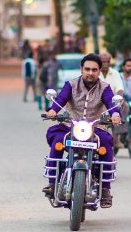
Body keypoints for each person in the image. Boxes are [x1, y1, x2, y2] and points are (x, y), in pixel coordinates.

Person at [43, 54, 122, 208]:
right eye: (87, 69)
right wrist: (53, 111)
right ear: (81, 69)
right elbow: (60, 101)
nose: (90, 73)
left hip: (95, 127)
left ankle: (105, 189)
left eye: (94, 70)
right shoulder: (70, 85)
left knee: (106, 144)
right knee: (58, 142)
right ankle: (52, 183)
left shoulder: (105, 88)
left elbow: (111, 103)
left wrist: (115, 114)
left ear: (99, 71)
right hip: (70, 125)